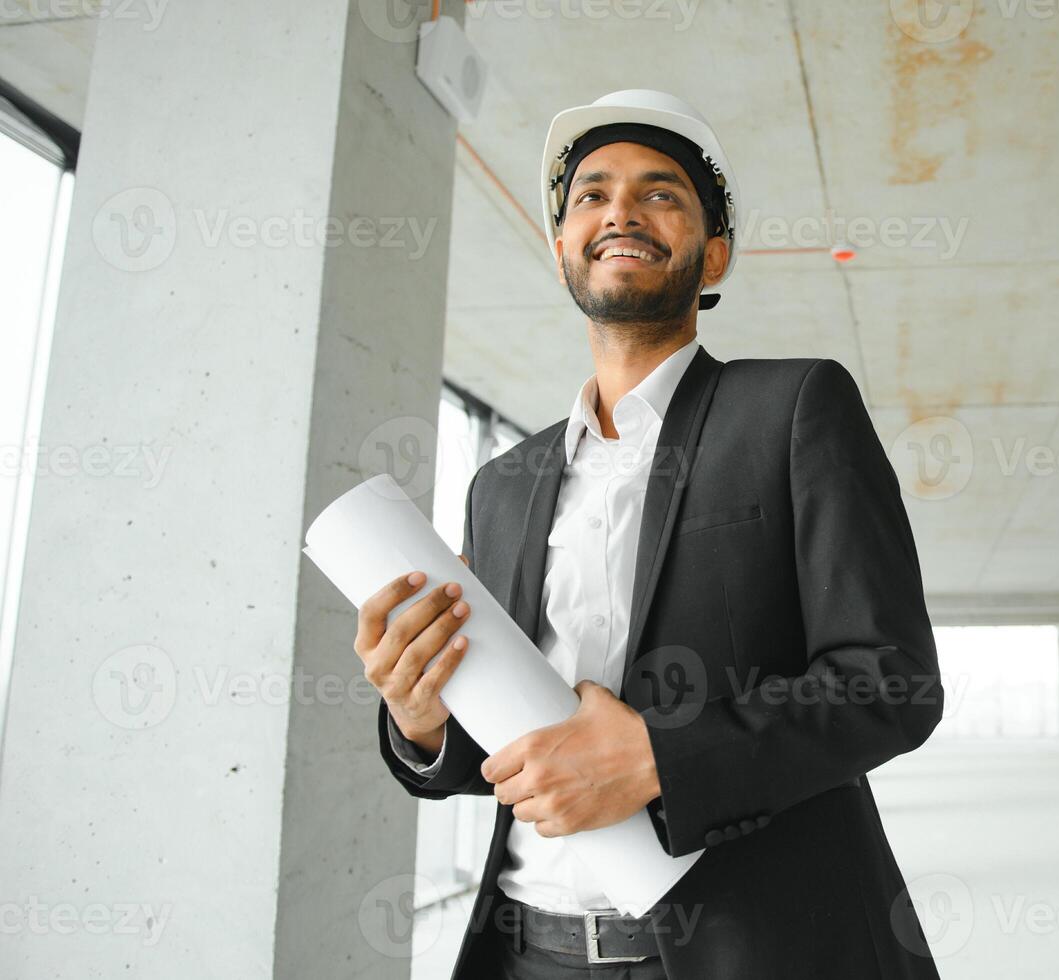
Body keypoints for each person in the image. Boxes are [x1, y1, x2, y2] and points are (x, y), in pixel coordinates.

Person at [354, 89, 943, 979]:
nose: (619, 210)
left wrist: (661, 757)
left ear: (714, 253)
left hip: (751, 950)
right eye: (590, 195)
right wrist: (419, 717)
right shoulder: (501, 486)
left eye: (659, 192)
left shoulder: (791, 409)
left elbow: (890, 685)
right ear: (561, 247)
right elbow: (495, 755)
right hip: (528, 949)